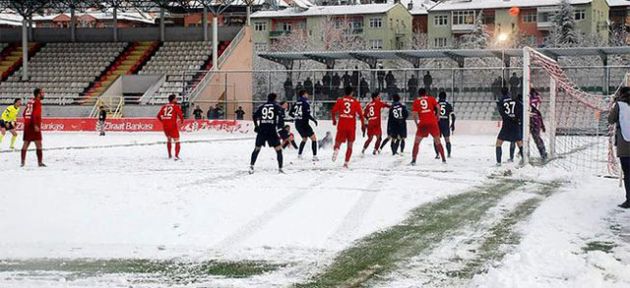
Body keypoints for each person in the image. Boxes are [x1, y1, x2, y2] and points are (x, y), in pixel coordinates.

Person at [250, 93, 285, 174]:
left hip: (262, 130)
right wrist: (280, 127)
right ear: (275, 99)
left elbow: (254, 116)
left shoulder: (262, 106)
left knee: (257, 149)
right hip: (271, 130)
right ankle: (280, 168)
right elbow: (280, 117)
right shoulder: (276, 106)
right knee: (278, 149)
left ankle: (251, 166)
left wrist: (256, 125)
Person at [331, 86, 365, 168]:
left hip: (342, 124)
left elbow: (333, 111)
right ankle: (346, 163)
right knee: (350, 145)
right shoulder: (355, 102)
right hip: (351, 125)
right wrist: (363, 125)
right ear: (352, 93)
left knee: (338, 142)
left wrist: (334, 120)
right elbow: (361, 115)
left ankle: (336, 149)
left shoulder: (340, 100)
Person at [608, 86, 630, 208]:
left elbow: (611, 119)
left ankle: (629, 200)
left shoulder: (620, 105)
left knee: (628, 173)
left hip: (625, 144)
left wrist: (614, 104)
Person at [411, 88, 445, 165]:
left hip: (423, 123)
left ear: (418, 94)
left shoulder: (416, 101)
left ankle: (414, 160)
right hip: (433, 122)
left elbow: (414, 115)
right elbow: (438, 107)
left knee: (416, 143)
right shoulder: (431, 99)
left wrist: (417, 124)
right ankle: (443, 159)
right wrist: (438, 116)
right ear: (426, 93)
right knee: (438, 141)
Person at [495, 87, 523, 166]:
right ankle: (524, 159)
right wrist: (517, 118)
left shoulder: (501, 102)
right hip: (515, 124)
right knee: (519, 142)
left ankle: (498, 162)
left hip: (506, 124)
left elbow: (501, 112)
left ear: (501, 93)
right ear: (508, 93)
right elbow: (520, 109)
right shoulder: (514, 101)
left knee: (499, 143)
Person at [290, 90, 319, 161]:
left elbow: (290, 113)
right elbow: (307, 114)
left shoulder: (296, 103)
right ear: (303, 95)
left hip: (297, 124)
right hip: (304, 124)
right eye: (306, 94)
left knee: (304, 138)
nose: (307, 95)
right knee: (313, 138)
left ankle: (299, 155)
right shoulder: (305, 103)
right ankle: (314, 156)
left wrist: (297, 116)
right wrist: (313, 120)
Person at [21, 88, 45, 167]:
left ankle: (22, 162)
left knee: (26, 143)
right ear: (38, 94)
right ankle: (40, 162)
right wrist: (35, 125)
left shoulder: (30, 102)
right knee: (39, 144)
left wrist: (27, 122)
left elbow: (24, 113)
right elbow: (35, 115)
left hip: (27, 125)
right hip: (34, 126)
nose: (43, 94)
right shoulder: (37, 103)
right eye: (42, 93)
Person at [157, 94, 184, 160]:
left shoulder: (164, 106)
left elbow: (158, 116)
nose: (177, 99)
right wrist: (182, 121)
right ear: (173, 99)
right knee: (177, 140)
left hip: (165, 125)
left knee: (169, 139)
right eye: (176, 98)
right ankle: (176, 155)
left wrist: (163, 121)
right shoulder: (176, 106)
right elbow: (180, 115)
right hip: (172, 125)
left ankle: (169, 155)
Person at [435, 91, 456, 158]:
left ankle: (437, 154)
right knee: (447, 139)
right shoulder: (448, 105)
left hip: (438, 123)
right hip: (445, 124)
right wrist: (453, 124)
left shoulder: (436, 104)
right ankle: (449, 154)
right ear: (445, 97)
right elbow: (453, 116)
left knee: (436, 139)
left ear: (439, 97)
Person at [529, 89, 547, 160]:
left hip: (531, 118)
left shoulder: (529, 100)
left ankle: (542, 152)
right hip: (536, 118)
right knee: (537, 137)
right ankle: (543, 151)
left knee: (535, 137)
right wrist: (542, 125)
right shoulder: (537, 99)